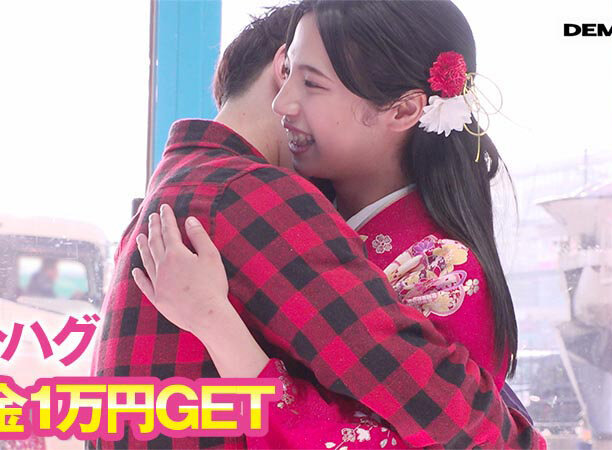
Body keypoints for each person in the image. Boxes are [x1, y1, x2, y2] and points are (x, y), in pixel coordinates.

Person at [91, 3, 543, 449]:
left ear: (403, 110)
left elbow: (438, 435)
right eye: (288, 73)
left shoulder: (443, 268)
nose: (281, 102)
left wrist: (219, 326)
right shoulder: (290, 214)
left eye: (310, 83)